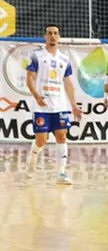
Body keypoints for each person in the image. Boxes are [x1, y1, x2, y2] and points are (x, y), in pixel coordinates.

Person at [25, 24, 83, 184]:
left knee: (62, 136)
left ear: (59, 37)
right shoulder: (36, 55)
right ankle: (31, 163)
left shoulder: (64, 59)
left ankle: (61, 174)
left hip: (60, 106)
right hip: (41, 106)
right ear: (45, 36)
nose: (52, 36)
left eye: (55, 33)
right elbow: (29, 78)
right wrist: (36, 96)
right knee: (41, 141)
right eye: (49, 33)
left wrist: (74, 105)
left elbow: (68, 83)